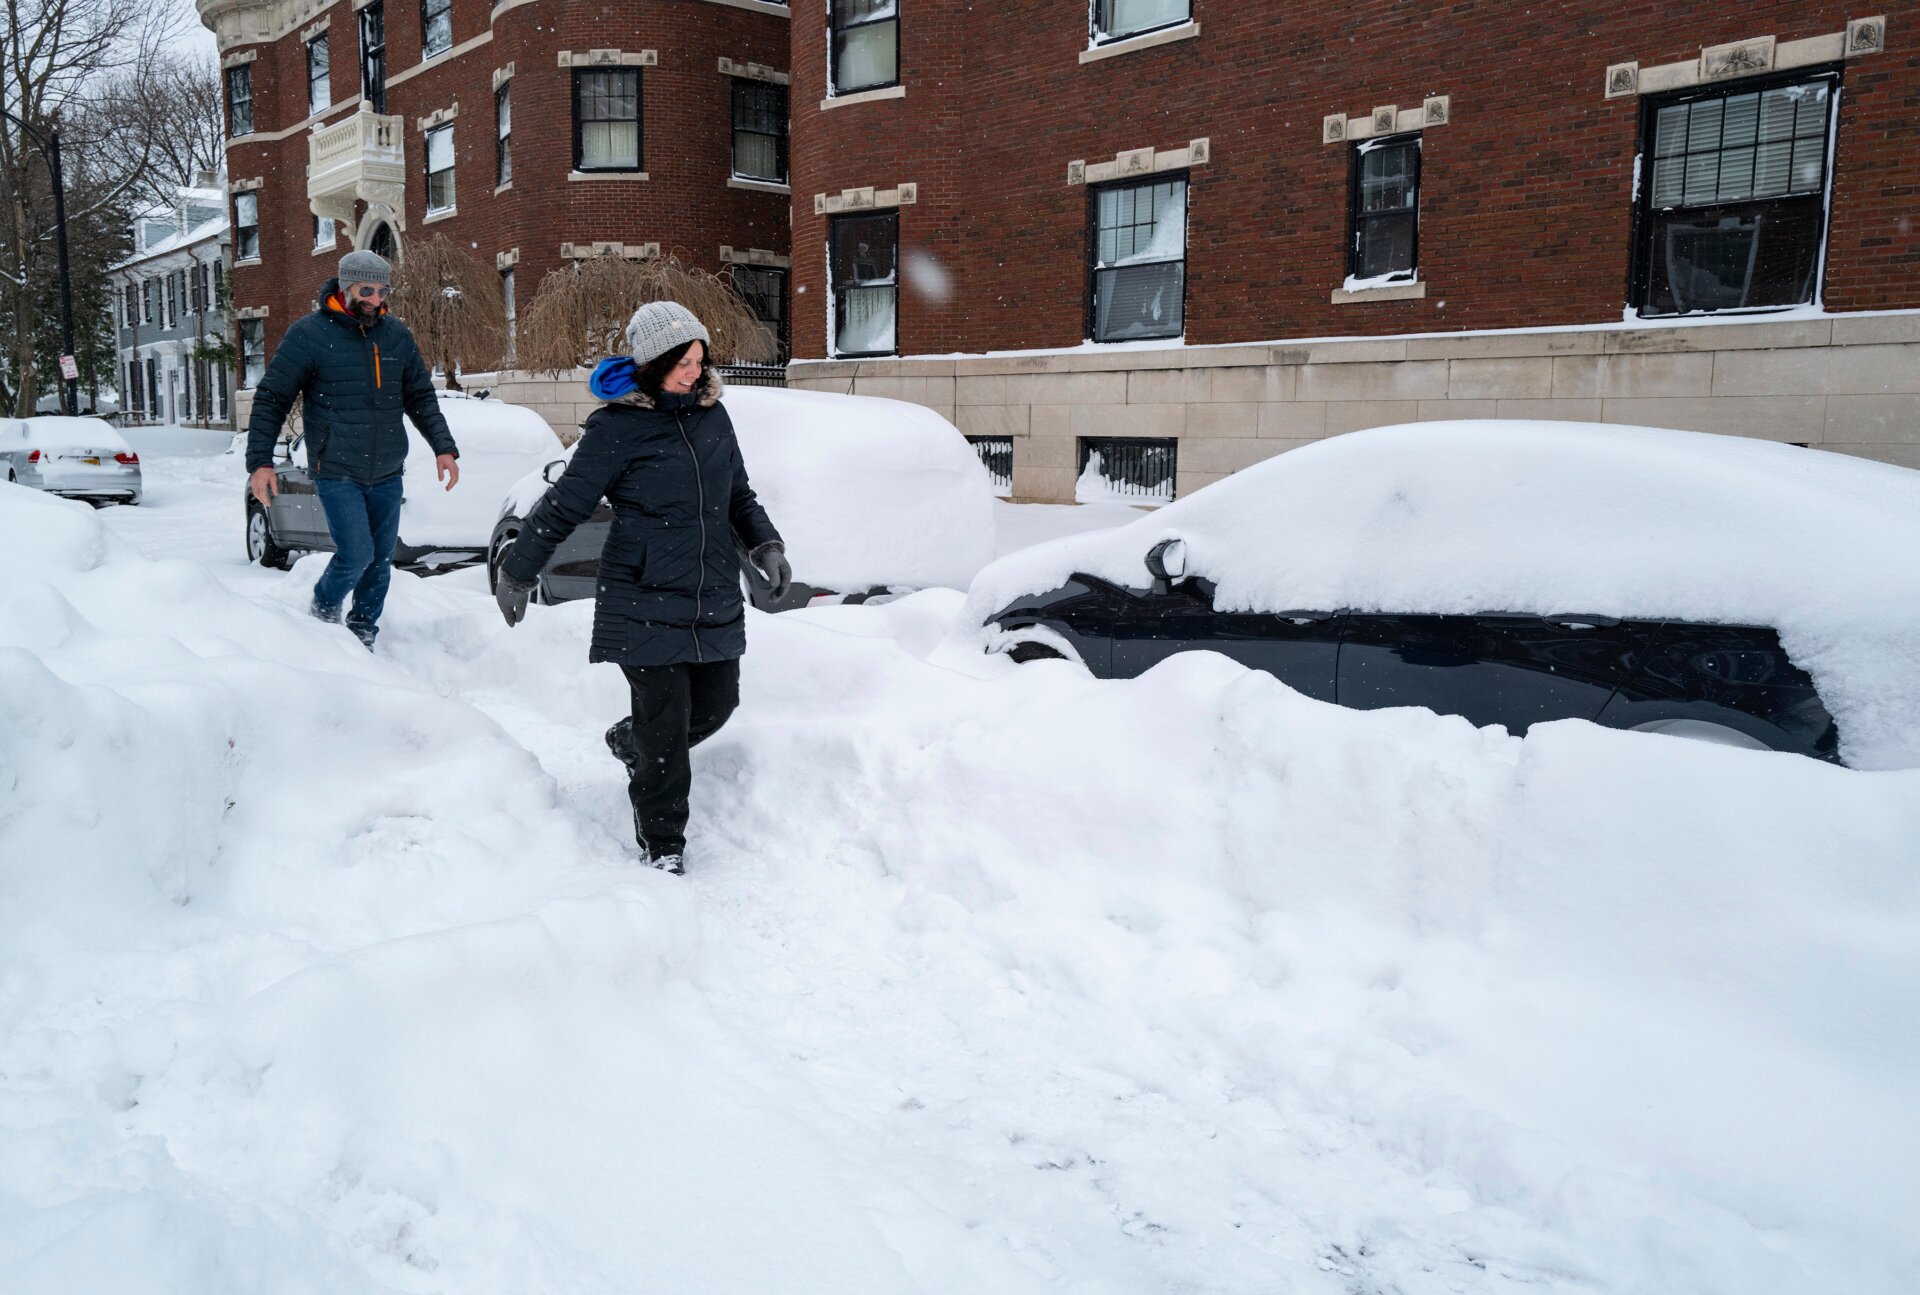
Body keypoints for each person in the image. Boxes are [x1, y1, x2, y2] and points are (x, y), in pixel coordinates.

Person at [493, 302, 788, 875]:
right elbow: (563, 505)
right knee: (667, 724)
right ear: (652, 364)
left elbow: (739, 497)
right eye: (682, 362)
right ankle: (663, 841)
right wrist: (519, 568)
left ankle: (633, 745)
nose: (694, 373)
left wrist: (765, 545)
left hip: (709, 591)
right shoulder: (616, 427)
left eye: (700, 361)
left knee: (717, 704)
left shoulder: (713, 417)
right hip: (643, 592)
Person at [245, 249, 460, 649]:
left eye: (383, 290)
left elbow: (421, 397)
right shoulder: (309, 335)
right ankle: (323, 612)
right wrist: (261, 461)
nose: (376, 299)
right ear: (346, 288)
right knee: (357, 553)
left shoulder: (396, 334)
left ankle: (363, 632)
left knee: (380, 562)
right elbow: (272, 397)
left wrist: (443, 447)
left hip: (387, 470)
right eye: (367, 290)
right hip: (337, 468)